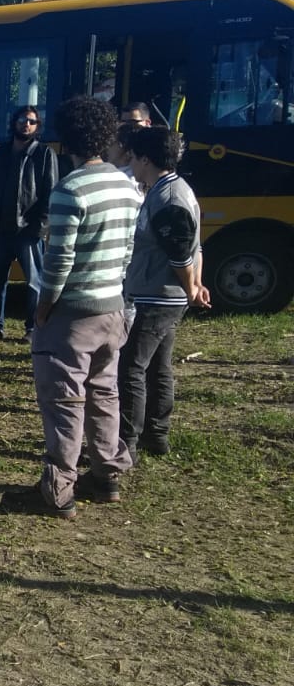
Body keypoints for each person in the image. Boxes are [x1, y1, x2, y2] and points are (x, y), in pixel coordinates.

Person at [1, 96, 139, 519]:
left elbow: (58, 260)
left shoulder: (70, 189)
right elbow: (130, 248)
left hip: (73, 314)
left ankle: (59, 489)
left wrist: (44, 307)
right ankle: (106, 475)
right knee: (104, 393)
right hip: (113, 308)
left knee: (64, 401)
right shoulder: (126, 185)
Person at [117, 126, 211, 469]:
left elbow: (181, 253)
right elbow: (192, 246)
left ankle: (126, 444)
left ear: (145, 159)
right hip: (162, 294)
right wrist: (194, 285)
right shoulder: (169, 191)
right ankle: (156, 435)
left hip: (160, 297)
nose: (132, 166)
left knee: (130, 368)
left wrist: (191, 288)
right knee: (158, 367)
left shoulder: (168, 198)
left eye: (134, 159)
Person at [0, 106, 58, 341]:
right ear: (14, 122)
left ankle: (33, 329)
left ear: (37, 126)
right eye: (23, 119)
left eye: (32, 121)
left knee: (35, 283)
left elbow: (50, 194)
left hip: (28, 231)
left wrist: (39, 228)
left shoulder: (44, 154)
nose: (26, 124)